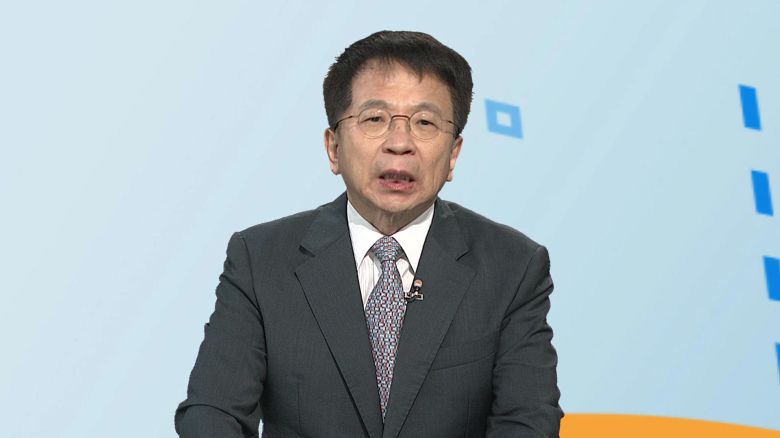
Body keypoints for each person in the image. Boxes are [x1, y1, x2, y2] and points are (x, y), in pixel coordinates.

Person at [175, 30, 562, 437]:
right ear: (333, 147)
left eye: (425, 122)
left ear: (453, 155)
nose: (400, 143)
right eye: (375, 119)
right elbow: (211, 413)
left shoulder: (513, 267)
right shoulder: (260, 259)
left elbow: (528, 422)